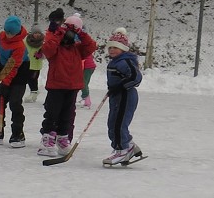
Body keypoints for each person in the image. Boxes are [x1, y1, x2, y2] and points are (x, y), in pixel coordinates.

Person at [36, 10, 97, 157]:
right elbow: (47, 49)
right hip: (56, 86)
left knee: (67, 116)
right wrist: (58, 33)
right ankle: (47, 141)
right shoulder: (55, 47)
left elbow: (91, 46)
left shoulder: (77, 49)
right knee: (52, 114)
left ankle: (62, 139)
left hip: (73, 87)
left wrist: (80, 33)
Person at [0, 16, 30, 147]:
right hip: (7, 70)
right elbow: (1, 54)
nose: (8, 35)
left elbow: (13, 66)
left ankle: (18, 134)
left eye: (11, 33)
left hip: (20, 74)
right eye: (7, 31)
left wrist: (4, 81)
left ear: (17, 32)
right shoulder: (1, 36)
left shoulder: (19, 46)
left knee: (15, 102)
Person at [103, 27, 144, 166]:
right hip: (116, 97)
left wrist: (120, 86)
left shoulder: (125, 61)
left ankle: (122, 150)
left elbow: (136, 77)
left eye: (116, 47)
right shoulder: (114, 62)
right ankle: (129, 145)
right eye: (110, 48)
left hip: (126, 96)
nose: (112, 50)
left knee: (119, 123)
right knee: (112, 123)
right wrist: (112, 88)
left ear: (123, 49)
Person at [24, 26, 45, 103]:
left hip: (36, 65)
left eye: (39, 33)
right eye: (35, 33)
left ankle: (34, 92)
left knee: (33, 79)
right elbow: (21, 48)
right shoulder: (26, 41)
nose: (37, 35)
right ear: (32, 33)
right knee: (28, 79)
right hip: (27, 63)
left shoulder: (43, 42)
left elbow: (46, 53)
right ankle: (34, 92)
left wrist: (41, 55)